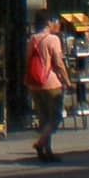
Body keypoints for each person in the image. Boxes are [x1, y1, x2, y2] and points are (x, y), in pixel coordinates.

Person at [26, 9, 71, 162]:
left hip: (35, 84)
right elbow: (58, 63)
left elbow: (28, 60)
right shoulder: (53, 39)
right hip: (51, 84)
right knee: (56, 117)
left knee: (44, 118)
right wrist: (67, 81)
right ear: (48, 22)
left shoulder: (32, 39)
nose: (55, 24)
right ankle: (40, 144)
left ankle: (48, 151)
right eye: (54, 21)